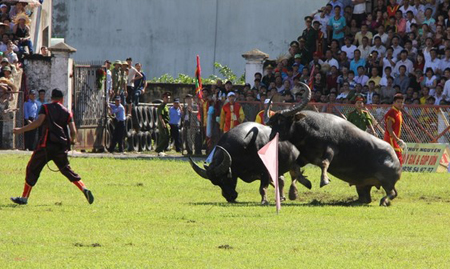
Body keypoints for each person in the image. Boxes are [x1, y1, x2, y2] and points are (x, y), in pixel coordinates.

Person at [11, 89, 94, 205]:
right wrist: (72, 141)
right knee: (66, 169)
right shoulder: (67, 112)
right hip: (61, 146)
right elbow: (73, 131)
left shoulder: (45, 107)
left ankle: (24, 197)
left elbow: (38, 122)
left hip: (46, 145)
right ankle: (84, 188)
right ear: (62, 99)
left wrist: (21, 130)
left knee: (32, 168)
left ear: (52, 98)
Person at [384, 93, 406, 165]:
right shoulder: (391, 112)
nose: (400, 104)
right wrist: (397, 139)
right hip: (390, 139)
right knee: (397, 160)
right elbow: (389, 128)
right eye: (398, 102)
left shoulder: (399, 112)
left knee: (396, 159)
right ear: (394, 103)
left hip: (395, 139)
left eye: (401, 102)